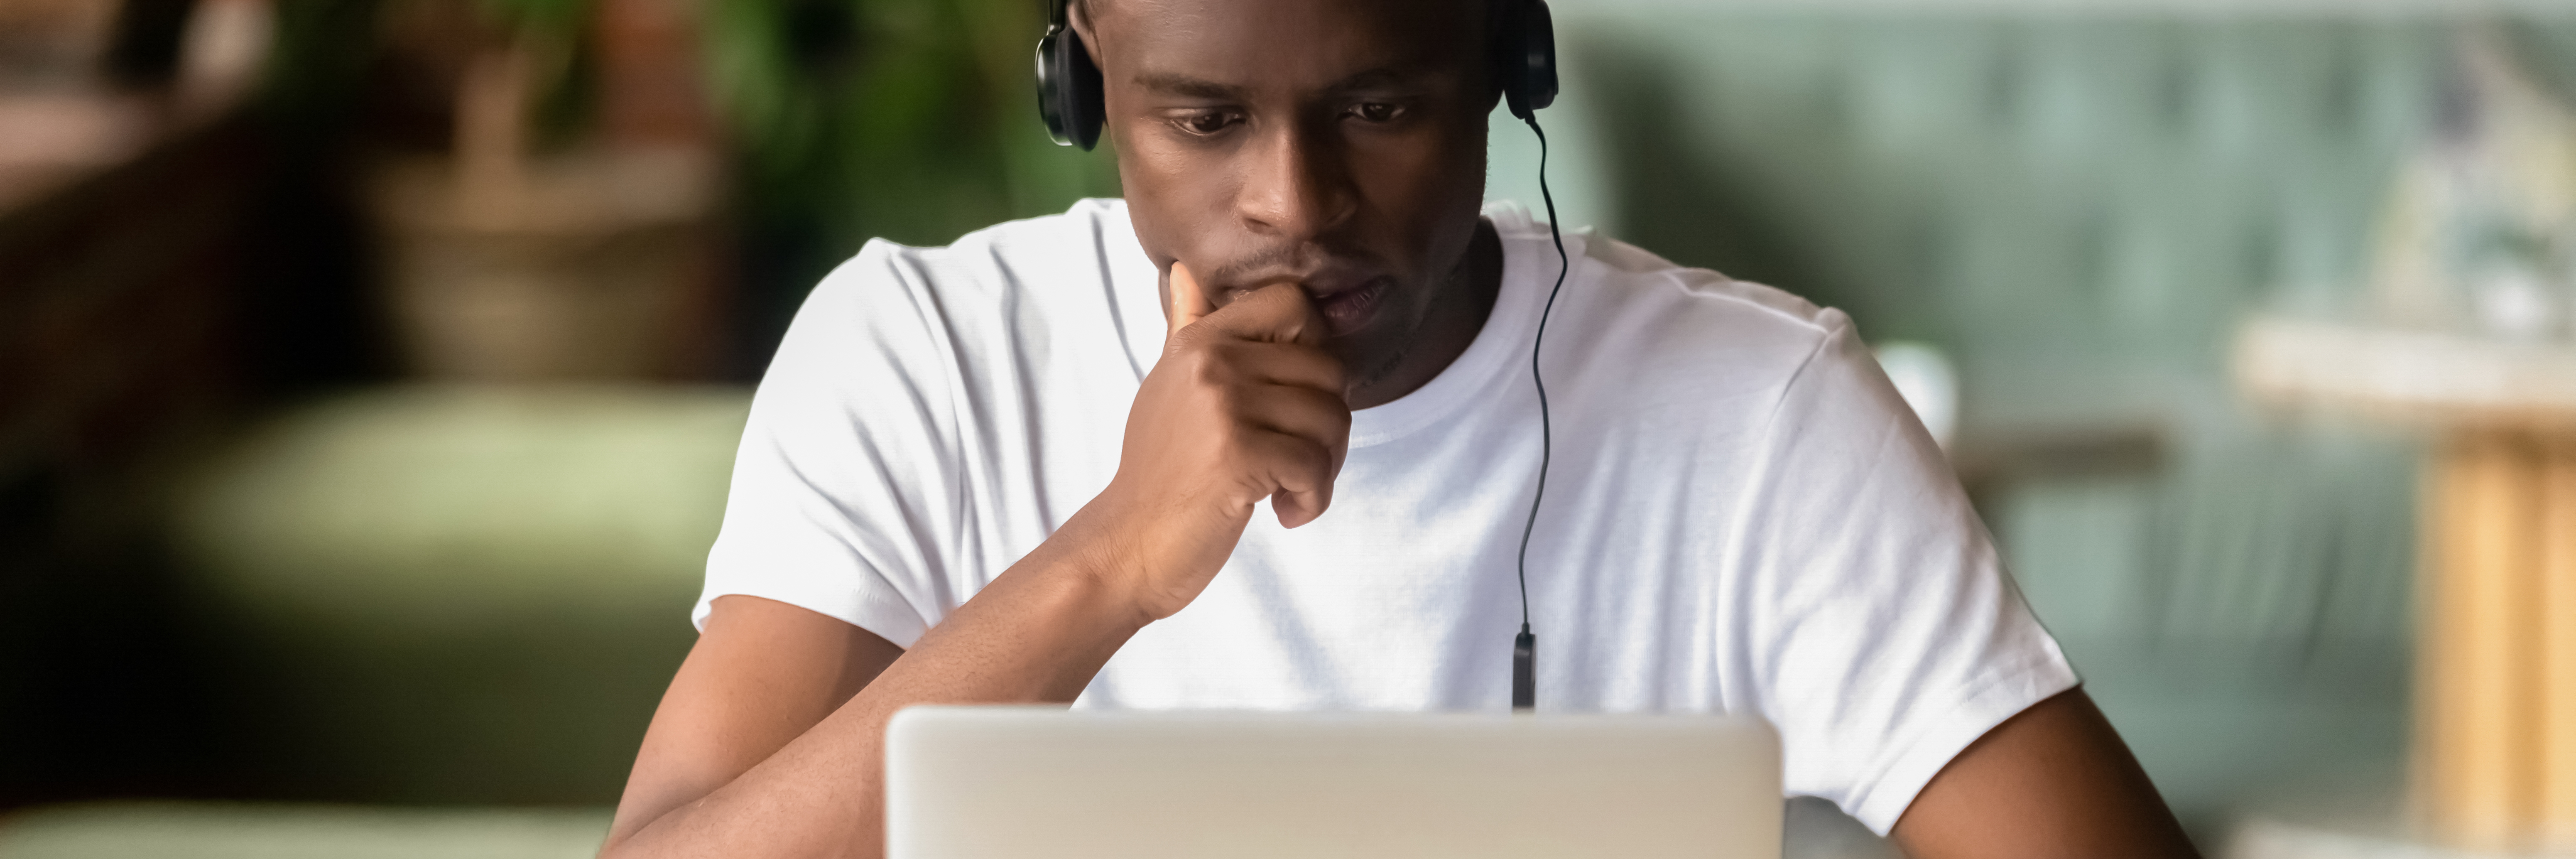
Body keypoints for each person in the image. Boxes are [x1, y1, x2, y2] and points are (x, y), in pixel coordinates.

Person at [598, 0, 2202, 856]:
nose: (1295, 205)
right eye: (1203, 119)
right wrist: (1108, 562)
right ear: (1082, 69)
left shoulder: (1758, 417)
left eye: (1379, 108)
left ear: (1506, 60)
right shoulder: (923, 355)